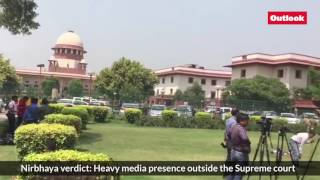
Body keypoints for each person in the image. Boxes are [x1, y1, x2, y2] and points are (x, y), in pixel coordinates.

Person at [228, 113, 251, 180]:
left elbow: (228, 135)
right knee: (239, 174)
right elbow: (244, 138)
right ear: (242, 121)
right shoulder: (241, 129)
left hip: (233, 151)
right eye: (247, 120)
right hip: (241, 153)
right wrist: (248, 143)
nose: (248, 122)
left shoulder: (233, 127)